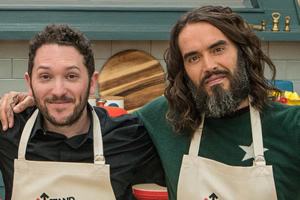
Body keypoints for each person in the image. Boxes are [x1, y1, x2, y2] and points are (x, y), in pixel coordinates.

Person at [1, 5, 300, 200]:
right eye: (193, 57)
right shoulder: (165, 117)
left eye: (218, 49)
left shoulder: (292, 126)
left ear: (242, 51)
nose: (208, 65)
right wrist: (28, 100)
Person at [0, 24, 164, 200]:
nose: (58, 90)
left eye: (71, 76)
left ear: (92, 82)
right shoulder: (8, 129)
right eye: (45, 77)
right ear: (29, 83)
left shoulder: (130, 136)